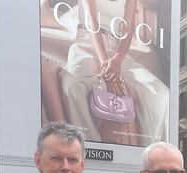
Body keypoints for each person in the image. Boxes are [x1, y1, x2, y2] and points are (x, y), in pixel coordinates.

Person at [57, 0, 169, 145]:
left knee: (160, 93)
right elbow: (92, 20)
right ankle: (89, 147)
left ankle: (150, 154)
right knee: (72, 85)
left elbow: (127, 30)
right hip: (87, 41)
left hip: (117, 50)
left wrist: (117, 60)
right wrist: (106, 65)